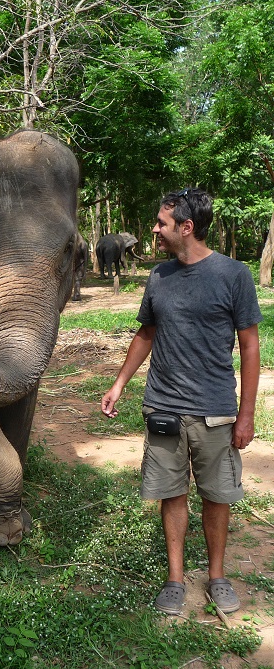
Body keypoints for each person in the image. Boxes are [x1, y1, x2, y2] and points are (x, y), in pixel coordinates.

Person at [101, 189, 262, 615]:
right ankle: (175, 579)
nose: (154, 229)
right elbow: (146, 334)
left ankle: (217, 575)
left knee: (216, 495)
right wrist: (119, 384)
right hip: (164, 408)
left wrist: (246, 414)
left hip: (216, 410)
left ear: (186, 228)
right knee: (171, 493)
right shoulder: (159, 277)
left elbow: (249, 346)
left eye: (160, 223)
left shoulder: (233, 275)